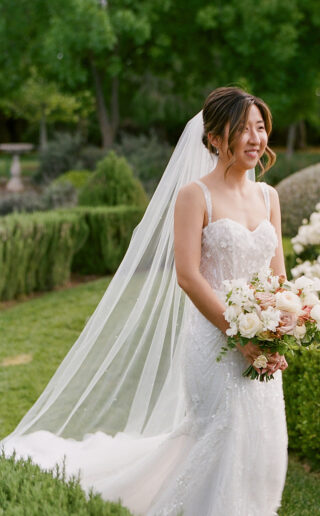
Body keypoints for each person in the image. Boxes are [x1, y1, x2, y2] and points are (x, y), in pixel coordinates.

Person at [1, 87, 288, 515]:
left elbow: (278, 273)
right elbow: (188, 276)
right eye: (241, 128)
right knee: (224, 430)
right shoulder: (196, 195)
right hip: (214, 344)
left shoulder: (269, 197)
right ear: (214, 138)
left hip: (261, 340)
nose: (254, 137)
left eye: (260, 127)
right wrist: (238, 334)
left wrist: (279, 330)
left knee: (264, 433)